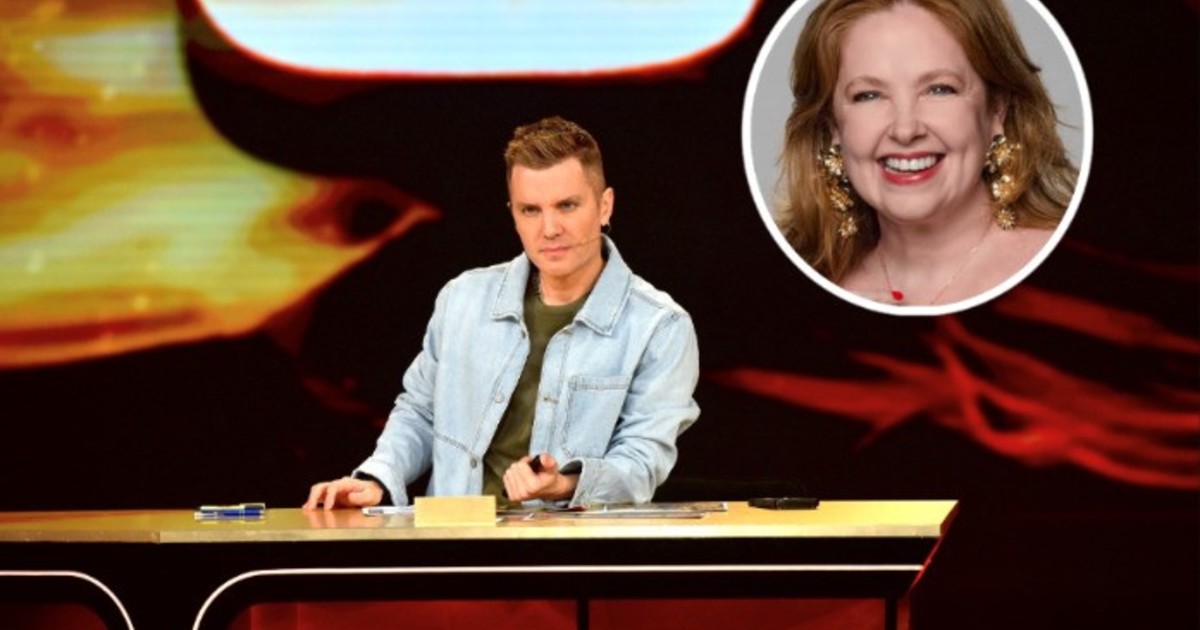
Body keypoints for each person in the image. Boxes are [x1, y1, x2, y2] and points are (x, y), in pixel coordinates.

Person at [304, 116, 700, 510]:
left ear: (604, 206)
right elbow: (421, 412)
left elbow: (642, 462)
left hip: (566, 544)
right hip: (451, 538)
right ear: (513, 214)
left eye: (567, 205)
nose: (549, 228)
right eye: (531, 210)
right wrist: (376, 477)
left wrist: (563, 484)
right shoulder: (462, 299)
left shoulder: (659, 326)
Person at [777, 0, 1077, 306]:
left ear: (996, 110)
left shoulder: (1078, 274)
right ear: (833, 126)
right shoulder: (790, 293)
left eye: (939, 89)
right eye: (868, 95)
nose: (905, 130)